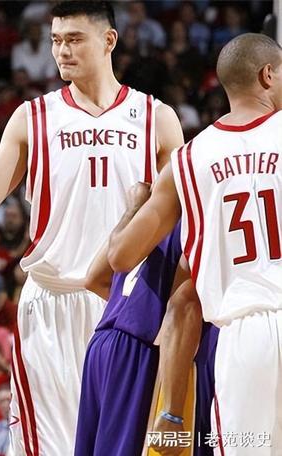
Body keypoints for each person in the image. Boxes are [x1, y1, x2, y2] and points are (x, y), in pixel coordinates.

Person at [0, 2, 184, 453]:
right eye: (56, 40)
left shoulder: (157, 118)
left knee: (123, 445)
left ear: (108, 40)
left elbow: (179, 219)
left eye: (74, 39)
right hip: (51, 303)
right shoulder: (32, 117)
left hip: (122, 306)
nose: (62, 51)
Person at [107, 34, 282, 455]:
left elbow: (121, 256)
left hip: (245, 336)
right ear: (268, 75)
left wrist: (133, 206)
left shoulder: (188, 159)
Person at [76, 183, 203, 455]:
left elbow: (94, 279)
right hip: (140, 348)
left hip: (101, 344)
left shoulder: (146, 210)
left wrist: (133, 207)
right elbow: (183, 306)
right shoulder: (197, 215)